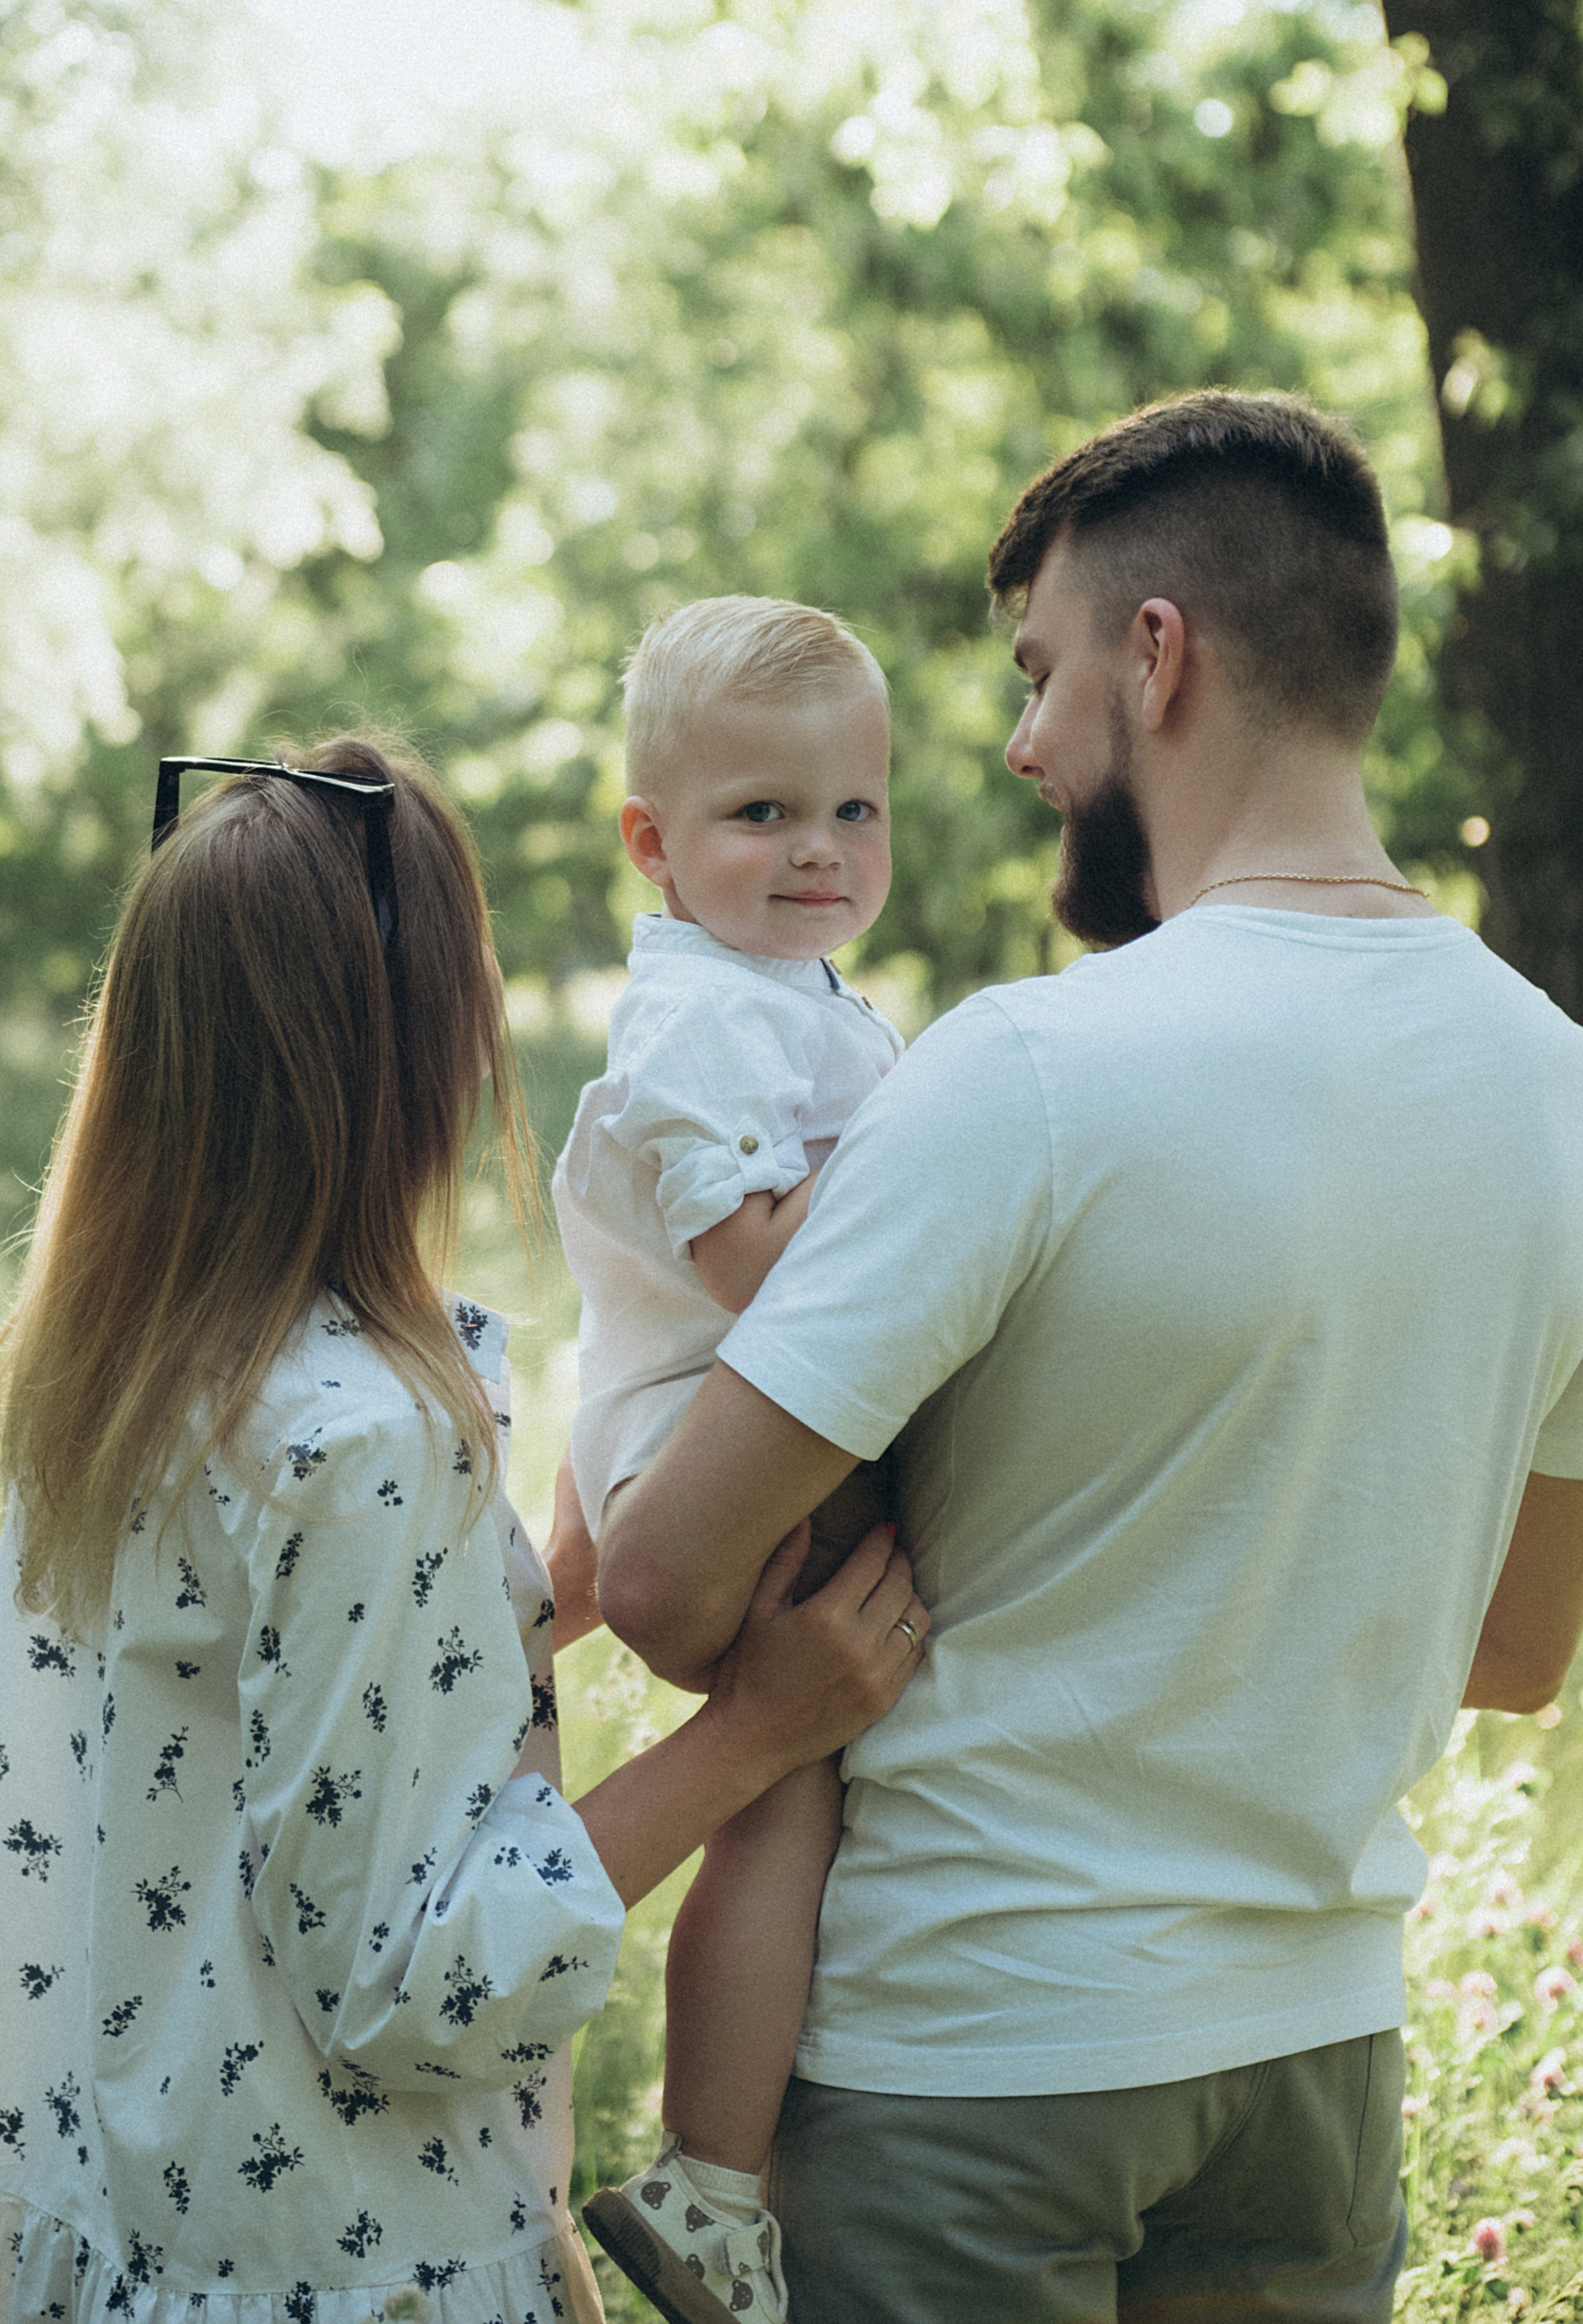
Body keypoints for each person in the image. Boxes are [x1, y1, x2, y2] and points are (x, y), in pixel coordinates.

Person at [594, 392, 1583, 2323]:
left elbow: (662, 1574)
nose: (1028, 746)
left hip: (970, 2063)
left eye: (1042, 675)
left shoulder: (1023, 1071)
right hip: (1317, 2071)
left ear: (1160, 655)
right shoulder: (1563, 1094)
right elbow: (1522, 1649)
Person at [0, 737, 926, 2324]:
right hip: (347, 2261)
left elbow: (233, 1726)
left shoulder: (96, 1376)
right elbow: (409, 1979)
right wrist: (752, 1735)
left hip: (131, 2223)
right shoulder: (357, 1435)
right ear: (413, 1044)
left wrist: (529, 1606)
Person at [549, 597, 923, 2323]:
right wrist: (958, 1146)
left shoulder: (787, 994)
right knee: (793, 1780)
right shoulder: (696, 1024)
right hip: (702, 1466)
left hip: (727, 1437)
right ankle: (709, 2173)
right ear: (654, 841)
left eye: (854, 809)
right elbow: (769, 1274)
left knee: (795, 1797)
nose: (819, 850)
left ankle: (716, 2183)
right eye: (761, 813)